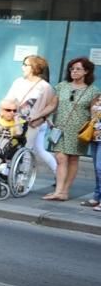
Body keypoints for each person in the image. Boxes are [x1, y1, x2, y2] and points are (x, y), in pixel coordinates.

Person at [45, 58, 99, 201]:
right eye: (72, 69)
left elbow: (94, 112)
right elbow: (52, 105)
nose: (74, 71)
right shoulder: (62, 86)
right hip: (60, 128)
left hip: (79, 129)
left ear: (86, 71)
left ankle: (64, 191)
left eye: (78, 69)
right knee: (60, 158)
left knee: (73, 159)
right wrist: (45, 116)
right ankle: (59, 191)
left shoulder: (93, 91)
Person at [4, 55, 56, 180]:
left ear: (35, 68)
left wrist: (40, 119)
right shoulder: (18, 81)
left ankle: (22, 180)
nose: (22, 67)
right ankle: (6, 173)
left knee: (26, 150)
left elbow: (50, 107)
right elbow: (9, 99)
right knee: (12, 146)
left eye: (25, 64)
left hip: (33, 123)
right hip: (15, 121)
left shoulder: (45, 87)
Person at [86, 93, 101, 211]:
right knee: (97, 169)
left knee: (100, 168)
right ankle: (96, 197)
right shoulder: (97, 97)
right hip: (94, 138)